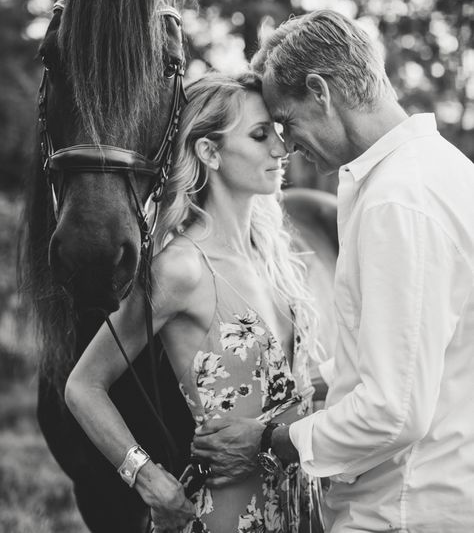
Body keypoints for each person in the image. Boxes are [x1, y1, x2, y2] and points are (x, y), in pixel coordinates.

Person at [192, 10, 474, 532]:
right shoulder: (448, 171)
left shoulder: (398, 202)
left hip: (401, 512)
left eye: (286, 119)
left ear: (320, 91)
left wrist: (265, 442)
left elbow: (393, 410)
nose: (288, 144)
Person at [65, 72, 327, 533]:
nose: (281, 150)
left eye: (279, 135)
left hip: (303, 510)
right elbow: (83, 385)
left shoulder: (273, 254)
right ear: (209, 151)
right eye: (260, 135)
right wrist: (145, 477)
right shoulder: (181, 268)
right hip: (229, 516)